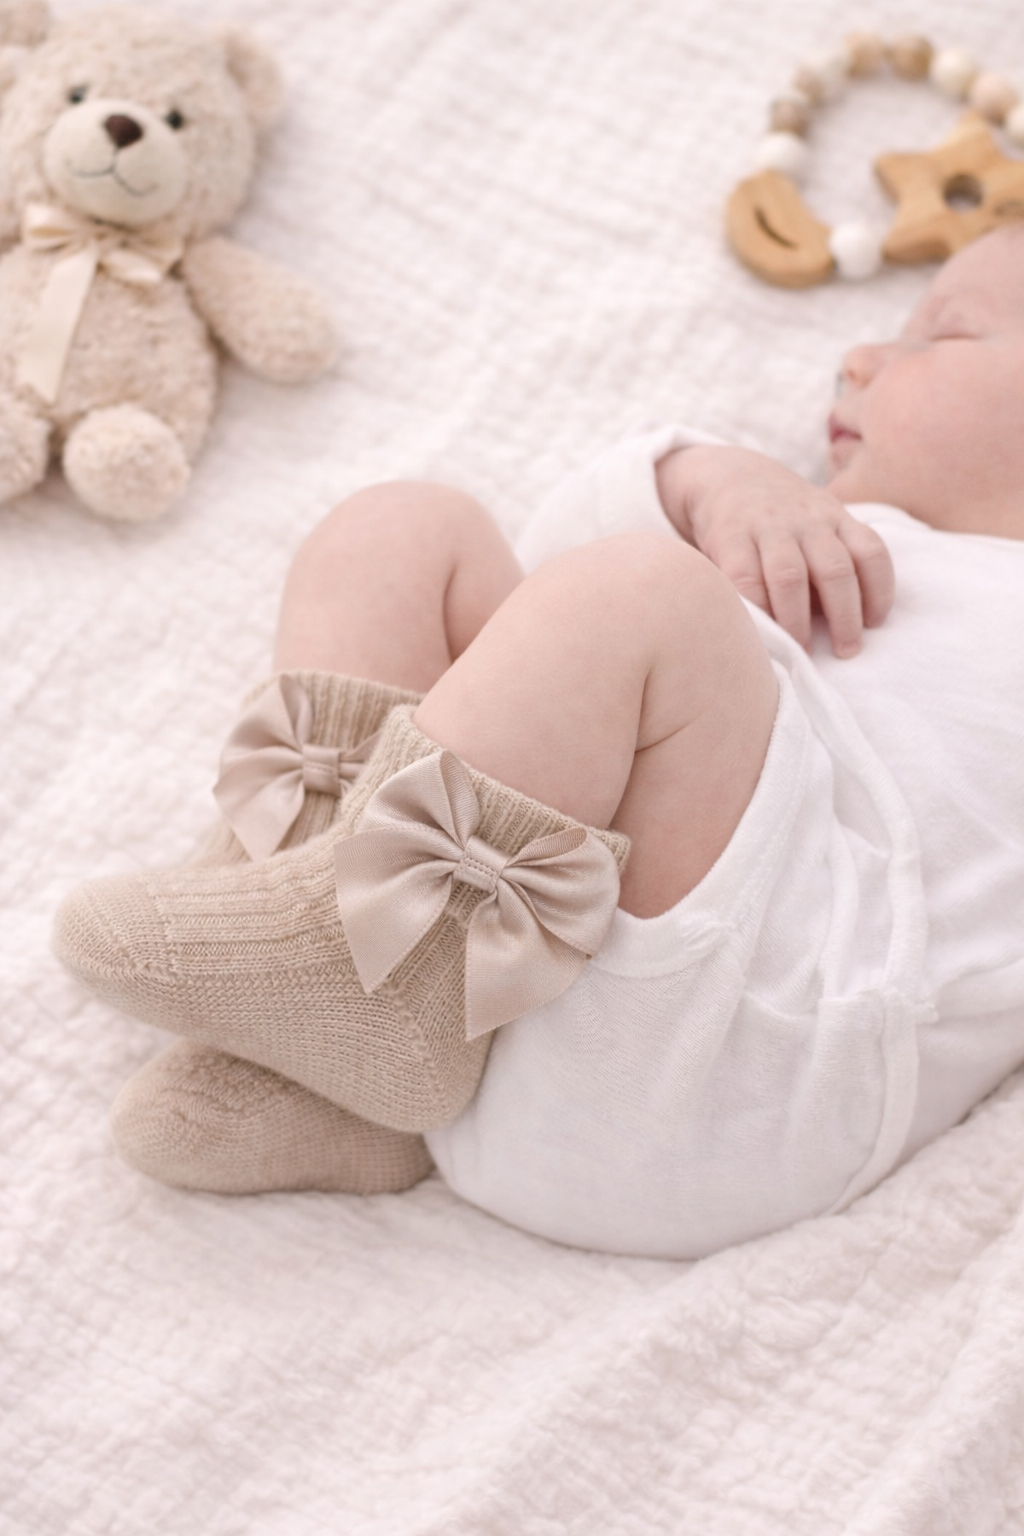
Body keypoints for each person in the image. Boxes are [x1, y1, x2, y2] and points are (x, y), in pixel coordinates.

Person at [54, 226, 1024, 1260]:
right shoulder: (829, 534)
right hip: (517, 990)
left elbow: (613, 598)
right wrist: (711, 480)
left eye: (944, 336)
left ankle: (358, 954)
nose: (862, 358)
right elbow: (556, 589)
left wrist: (671, 573)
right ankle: (323, 1065)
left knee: (646, 596)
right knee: (400, 534)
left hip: (736, 1062)